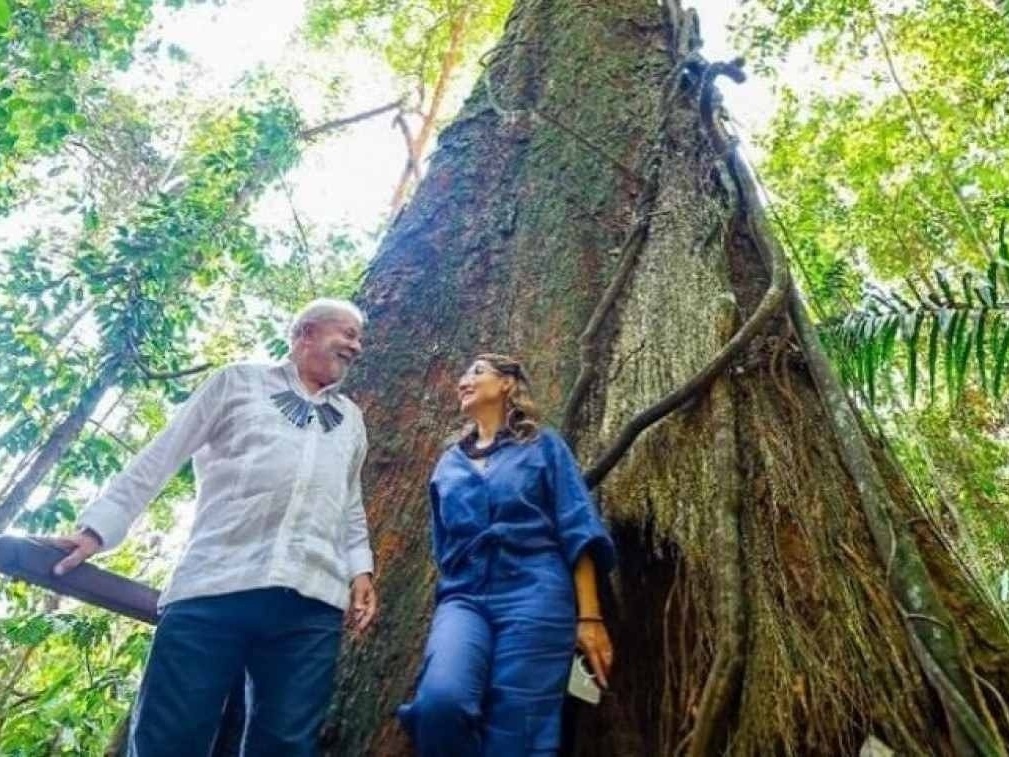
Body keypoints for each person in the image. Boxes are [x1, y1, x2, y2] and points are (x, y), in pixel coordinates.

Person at [46, 298, 378, 756]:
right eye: (348, 334)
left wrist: (360, 570)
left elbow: (349, 503)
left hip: (311, 604)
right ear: (305, 334)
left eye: (359, 338)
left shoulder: (352, 421)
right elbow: (163, 453)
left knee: (285, 745)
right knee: (171, 738)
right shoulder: (236, 382)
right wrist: (97, 530)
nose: (356, 347)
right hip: (215, 584)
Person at [397, 353, 616, 756]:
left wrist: (589, 617)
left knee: (518, 728)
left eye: (477, 371)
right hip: (464, 598)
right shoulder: (448, 464)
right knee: (439, 704)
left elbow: (577, 529)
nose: (465, 378)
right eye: (464, 373)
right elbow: (443, 546)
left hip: (536, 592)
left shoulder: (543, 445)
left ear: (507, 385)